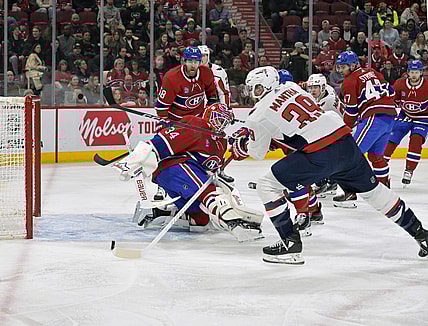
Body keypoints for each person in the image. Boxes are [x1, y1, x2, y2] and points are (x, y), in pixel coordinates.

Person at [229, 66, 428, 264]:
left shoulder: (257, 114)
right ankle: (421, 234)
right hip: (345, 142)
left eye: (256, 88)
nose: (253, 93)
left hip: (320, 152)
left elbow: (257, 152)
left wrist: (242, 144)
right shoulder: (292, 87)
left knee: (267, 185)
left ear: (266, 85)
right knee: (376, 193)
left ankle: (290, 244)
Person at [113, 103, 263, 241]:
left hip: (186, 177)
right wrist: (135, 159)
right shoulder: (196, 123)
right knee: (208, 192)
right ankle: (235, 224)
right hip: (174, 168)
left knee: (201, 221)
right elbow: (163, 142)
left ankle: (161, 213)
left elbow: (211, 169)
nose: (221, 124)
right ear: (209, 114)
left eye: (225, 122)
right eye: (219, 119)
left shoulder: (220, 143)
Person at [333, 51, 396, 208]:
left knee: (348, 154)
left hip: (373, 118)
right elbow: (391, 91)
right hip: (389, 117)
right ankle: (384, 191)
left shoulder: (348, 82)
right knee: (376, 156)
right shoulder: (372, 71)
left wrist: (343, 130)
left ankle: (349, 191)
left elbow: (352, 112)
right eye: (339, 67)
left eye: (343, 67)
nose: (340, 70)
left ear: (353, 65)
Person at [383, 60, 428, 186]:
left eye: (417, 72)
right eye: (412, 72)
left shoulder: (427, 86)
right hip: (405, 115)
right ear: (408, 72)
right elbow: (393, 100)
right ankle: (381, 165)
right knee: (392, 138)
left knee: (416, 140)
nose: (414, 75)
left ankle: (409, 170)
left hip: (423, 118)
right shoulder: (399, 84)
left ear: (421, 73)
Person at [155, 46, 218, 121]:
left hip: (198, 118)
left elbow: (212, 95)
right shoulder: (172, 78)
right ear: (184, 61)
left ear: (200, 62)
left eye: (196, 62)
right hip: (176, 119)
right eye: (190, 61)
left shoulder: (206, 73)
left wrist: (209, 111)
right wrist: (164, 121)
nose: (193, 65)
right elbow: (161, 106)